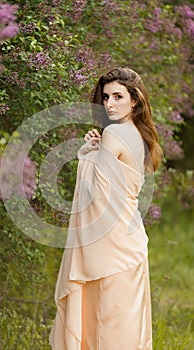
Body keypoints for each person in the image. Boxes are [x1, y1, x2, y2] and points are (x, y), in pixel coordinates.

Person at [49, 67, 162, 349]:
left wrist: (85, 156)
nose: (109, 104)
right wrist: (96, 153)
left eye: (118, 97)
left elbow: (97, 197)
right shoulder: (137, 133)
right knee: (123, 327)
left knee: (103, 329)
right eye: (106, 96)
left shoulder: (113, 132)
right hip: (131, 244)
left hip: (109, 250)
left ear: (134, 100)